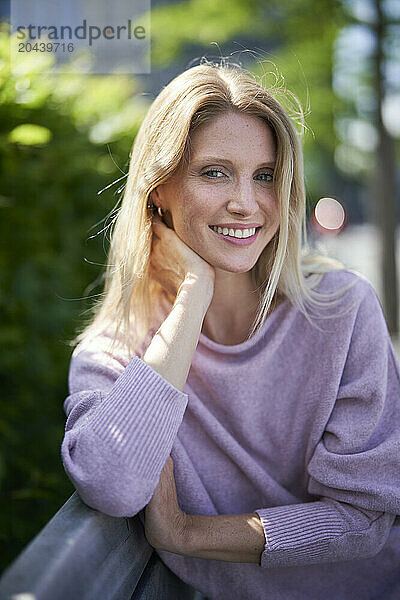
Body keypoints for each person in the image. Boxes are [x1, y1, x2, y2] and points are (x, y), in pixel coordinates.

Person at [61, 59, 400, 599]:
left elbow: (365, 517)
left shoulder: (342, 311)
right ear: (159, 190)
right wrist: (193, 294)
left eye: (264, 176)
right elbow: (113, 483)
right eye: (214, 172)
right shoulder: (118, 350)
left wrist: (189, 534)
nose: (246, 202)